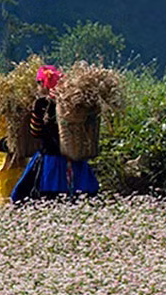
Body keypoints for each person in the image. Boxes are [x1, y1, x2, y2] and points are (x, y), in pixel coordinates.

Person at [11, 65, 100, 202]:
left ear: (45, 84)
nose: (38, 88)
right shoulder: (71, 102)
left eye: (39, 83)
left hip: (51, 160)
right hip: (74, 157)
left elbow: (36, 131)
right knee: (80, 197)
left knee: (38, 197)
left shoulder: (41, 103)